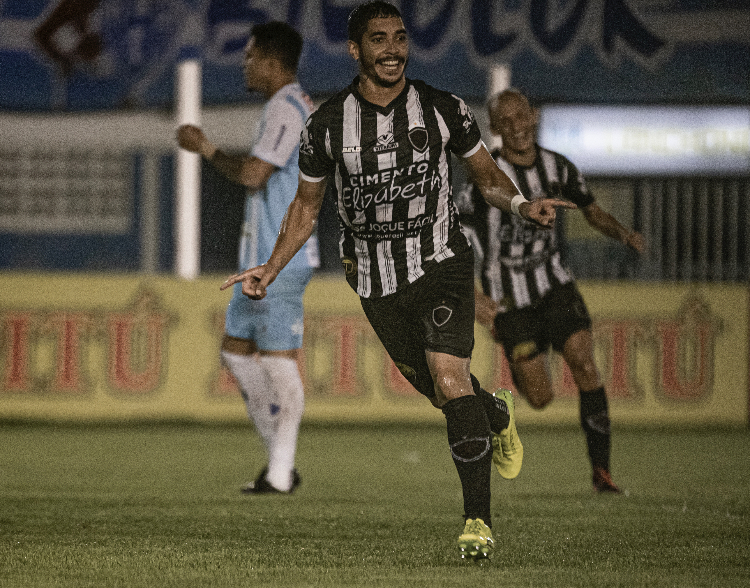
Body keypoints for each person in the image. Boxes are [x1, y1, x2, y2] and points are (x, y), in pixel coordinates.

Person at [221, 1, 573, 560]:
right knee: (443, 393)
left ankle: (477, 524)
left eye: (400, 37)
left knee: (449, 374)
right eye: (379, 39)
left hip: (440, 263)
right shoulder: (328, 124)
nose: (393, 49)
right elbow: (305, 208)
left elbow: (486, 178)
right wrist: (270, 266)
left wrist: (522, 203)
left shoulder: (442, 109)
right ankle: (497, 415)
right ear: (357, 50)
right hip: (377, 282)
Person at [459, 89, 646, 494]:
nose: (517, 127)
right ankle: (505, 399)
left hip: (554, 285)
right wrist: (474, 298)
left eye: (521, 117)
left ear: (534, 116)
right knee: (540, 398)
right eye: (505, 122)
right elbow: (451, 240)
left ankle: (602, 473)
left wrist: (624, 234)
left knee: (583, 361)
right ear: (494, 129)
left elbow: (591, 210)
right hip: (510, 301)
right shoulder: (483, 181)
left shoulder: (558, 167)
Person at [178, 22, 318, 495]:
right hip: (257, 258)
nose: (245, 63)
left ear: (273, 63)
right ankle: (281, 459)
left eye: (250, 55)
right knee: (235, 355)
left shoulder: (286, 108)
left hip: (280, 258)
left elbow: (255, 175)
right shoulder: (287, 106)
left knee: (279, 363)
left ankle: (280, 472)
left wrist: (207, 149)